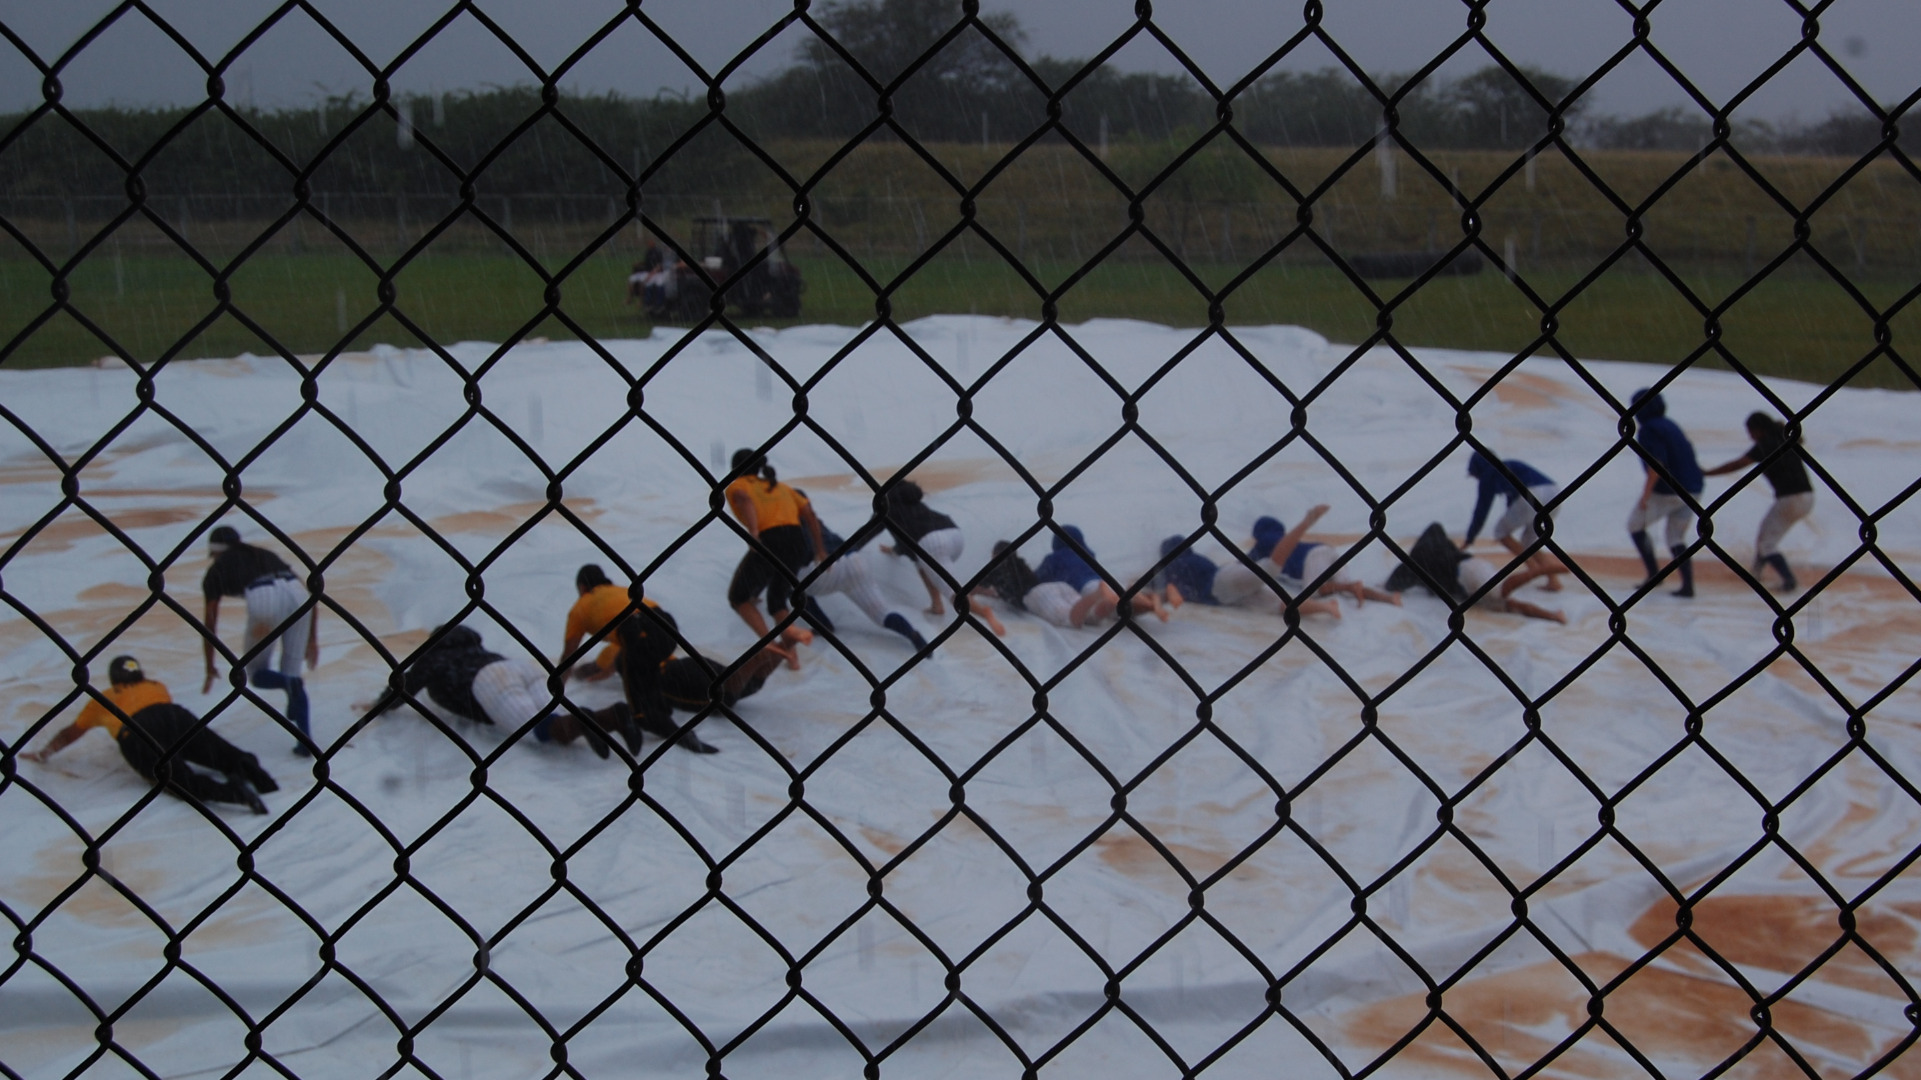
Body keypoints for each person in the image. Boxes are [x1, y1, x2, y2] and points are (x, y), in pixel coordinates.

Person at [25, 655, 274, 813]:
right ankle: (256, 775)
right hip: (173, 714)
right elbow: (166, 726)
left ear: (114, 681)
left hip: (134, 730)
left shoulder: (104, 698)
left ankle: (234, 793)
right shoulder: (156, 686)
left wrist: (45, 752)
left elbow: (71, 733)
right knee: (218, 751)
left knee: (177, 779)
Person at [366, 626, 609, 758]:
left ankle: (583, 721)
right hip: (517, 667)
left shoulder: (435, 657)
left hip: (490, 681)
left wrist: (378, 705)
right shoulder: (477, 650)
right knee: (548, 717)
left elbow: (405, 686)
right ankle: (613, 717)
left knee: (539, 731)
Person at [594, 602, 791, 755]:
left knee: (722, 697)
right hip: (690, 663)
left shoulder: (625, 653)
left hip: (671, 677)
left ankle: (757, 657)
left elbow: (611, 669)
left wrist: (590, 673)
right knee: (745, 686)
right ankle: (784, 646)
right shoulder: (647, 627)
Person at [201, 525, 319, 753]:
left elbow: (209, 623)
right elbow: (309, 590)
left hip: (263, 598)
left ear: (215, 551)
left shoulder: (216, 570)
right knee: (293, 673)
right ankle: (305, 742)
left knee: (253, 673)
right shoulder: (264, 554)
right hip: (298, 595)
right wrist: (312, 639)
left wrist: (209, 665)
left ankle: (289, 685)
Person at [724, 449, 828, 662]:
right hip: (797, 540)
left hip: (770, 540)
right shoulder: (782, 488)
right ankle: (792, 657)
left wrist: (753, 531)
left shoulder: (737, 485)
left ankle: (769, 645)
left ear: (735, 469)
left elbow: (744, 500)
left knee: (738, 597)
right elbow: (810, 514)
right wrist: (820, 549)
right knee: (777, 600)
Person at [792, 503, 933, 650]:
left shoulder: (785, 529)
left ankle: (822, 624)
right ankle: (913, 634)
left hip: (820, 571)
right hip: (854, 561)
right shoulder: (814, 521)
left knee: (793, 585)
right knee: (882, 614)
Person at [1703, 412, 1814, 592]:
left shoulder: (1765, 445)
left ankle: (1788, 580)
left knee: (1766, 543)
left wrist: (1708, 473)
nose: (1750, 436)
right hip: (1806, 496)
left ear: (1759, 430)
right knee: (1765, 535)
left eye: (1750, 431)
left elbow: (1737, 464)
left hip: (1790, 498)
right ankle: (1755, 573)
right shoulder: (1783, 439)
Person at [879, 481, 1005, 634]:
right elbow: (907, 545)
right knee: (921, 563)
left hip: (932, 543)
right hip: (953, 534)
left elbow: (894, 541)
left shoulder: (888, 510)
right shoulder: (915, 504)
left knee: (953, 593)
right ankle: (936, 605)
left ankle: (985, 612)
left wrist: (853, 549)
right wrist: (893, 550)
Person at [1384, 524, 1567, 623]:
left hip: (1464, 571)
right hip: (1466, 570)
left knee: (1501, 595)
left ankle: (1540, 573)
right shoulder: (1425, 557)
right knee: (1505, 602)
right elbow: (1435, 528)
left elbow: (1393, 583)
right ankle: (1551, 613)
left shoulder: (1418, 563)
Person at [1626, 389, 1705, 597]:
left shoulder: (1649, 430)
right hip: (1693, 487)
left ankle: (1654, 574)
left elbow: (1657, 464)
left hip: (1668, 490)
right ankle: (1688, 585)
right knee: (1675, 537)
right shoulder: (1670, 425)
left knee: (1635, 525)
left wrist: (1646, 494)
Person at [1208, 506, 1343, 618]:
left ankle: (1341, 593)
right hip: (1329, 551)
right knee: (1339, 584)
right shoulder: (1280, 538)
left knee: (1312, 591)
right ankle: (1352, 588)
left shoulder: (1266, 541)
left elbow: (1248, 561)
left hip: (1315, 555)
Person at [1464, 451, 1563, 591]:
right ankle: (1553, 580)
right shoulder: (1507, 466)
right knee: (1529, 543)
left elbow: (1482, 509)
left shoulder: (1488, 474)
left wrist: (1470, 537)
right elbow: (1513, 502)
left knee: (1500, 531)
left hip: (1532, 493)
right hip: (1554, 493)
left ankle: (1532, 568)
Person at [561, 564, 631, 682]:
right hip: (663, 622)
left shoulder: (581, 606)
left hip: (638, 635)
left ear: (582, 588)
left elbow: (569, 656)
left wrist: (560, 683)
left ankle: (587, 673)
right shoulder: (624, 592)